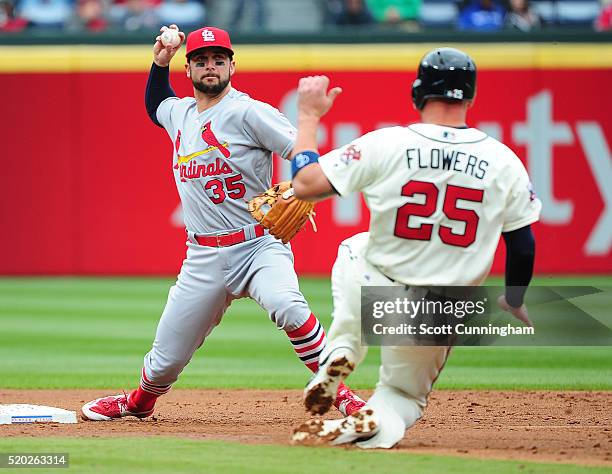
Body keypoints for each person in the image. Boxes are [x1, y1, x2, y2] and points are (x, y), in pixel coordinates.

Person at [81, 25, 364, 422]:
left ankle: (344, 395)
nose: (209, 67)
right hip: (203, 255)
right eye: (200, 61)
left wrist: (307, 176)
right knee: (164, 360)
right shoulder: (180, 113)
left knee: (287, 304)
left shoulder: (249, 111)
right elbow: (155, 104)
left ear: (232, 65)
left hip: (258, 245)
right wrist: (159, 60)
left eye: (217, 60)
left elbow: (301, 152)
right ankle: (137, 403)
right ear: (189, 69)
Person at [288, 48, 541, 448]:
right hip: (444, 306)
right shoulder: (503, 161)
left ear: (418, 93)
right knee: (403, 396)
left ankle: (342, 347)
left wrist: (307, 116)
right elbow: (523, 243)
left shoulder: (388, 143)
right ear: (470, 98)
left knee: (354, 248)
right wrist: (514, 297)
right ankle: (371, 423)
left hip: (381, 282)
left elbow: (305, 185)